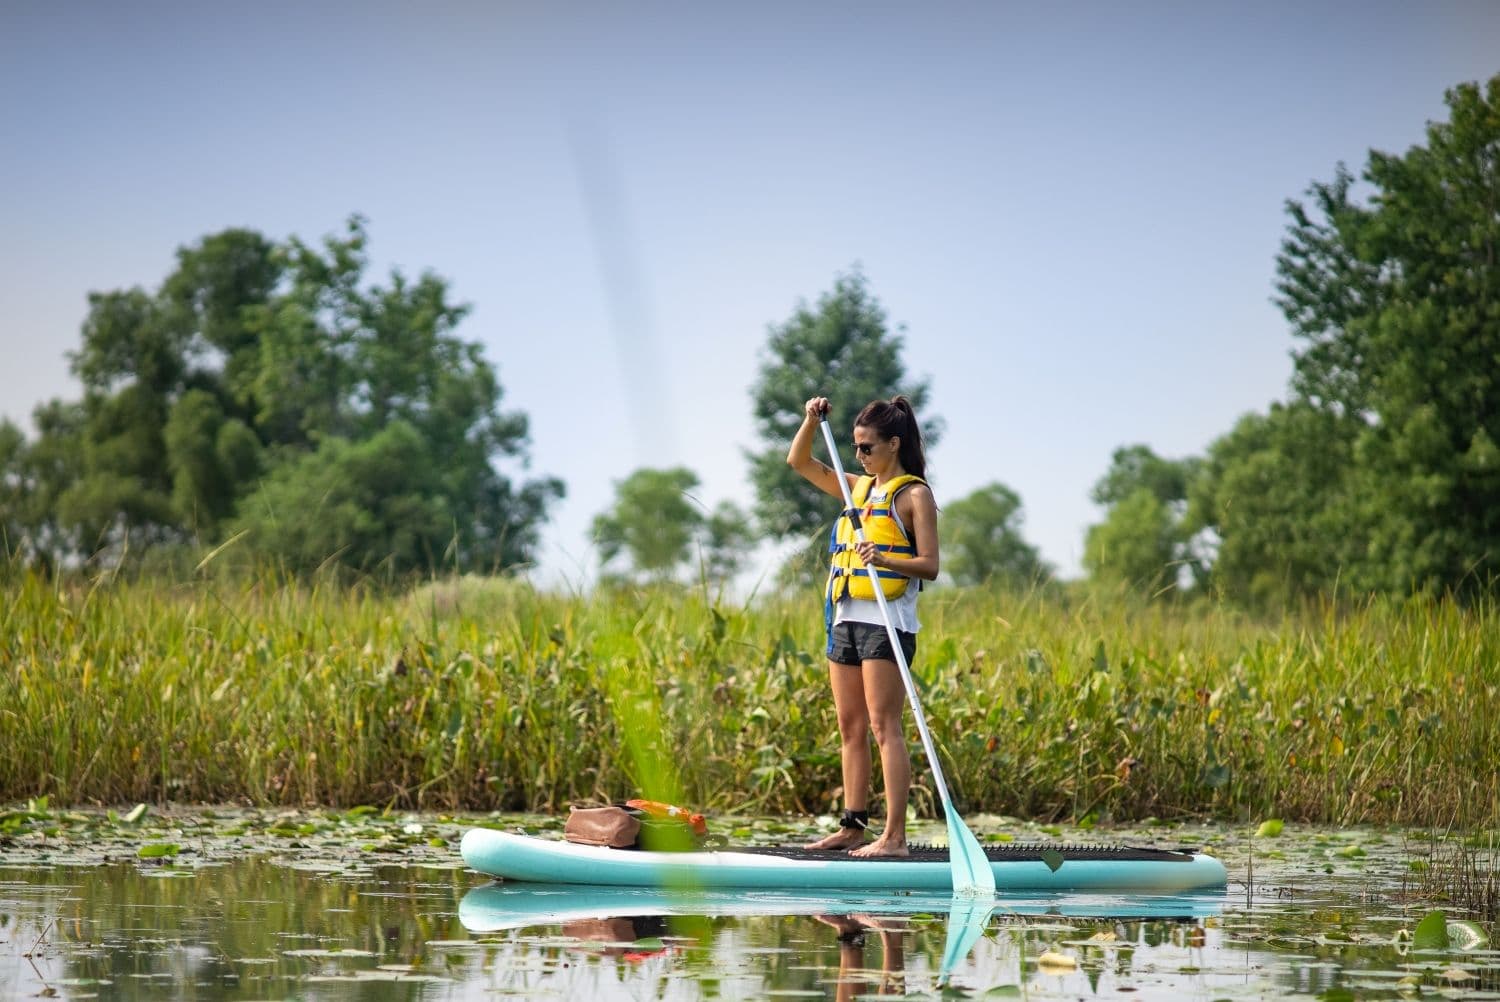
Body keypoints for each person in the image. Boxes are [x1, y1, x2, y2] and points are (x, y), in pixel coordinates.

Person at [786, 394, 938, 857]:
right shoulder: (856, 489)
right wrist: (811, 420)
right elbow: (799, 461)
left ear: (894, 444)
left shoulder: (915, 495)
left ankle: (894, 837)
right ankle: (852, 826)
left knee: (882, 725)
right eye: (855, 447)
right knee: (850, 726)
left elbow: (930, 565)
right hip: (846, 619)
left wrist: (884, 556)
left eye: (867, 448)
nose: (860, 456)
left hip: (887, 624)